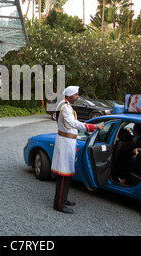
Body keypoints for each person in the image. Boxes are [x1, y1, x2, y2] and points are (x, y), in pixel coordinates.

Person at [51, 86, 104, 214]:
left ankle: (63, 199)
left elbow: (73, 123)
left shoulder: (66, 106)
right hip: (65, 143)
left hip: (67, 142)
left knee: (67, 174)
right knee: (64, 174)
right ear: (69, 95)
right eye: (75, 94)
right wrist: (93, 126)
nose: (77, 96)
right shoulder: (65, 107)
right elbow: (73, 124)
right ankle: (59, 204)